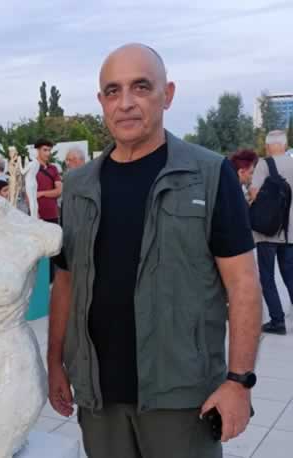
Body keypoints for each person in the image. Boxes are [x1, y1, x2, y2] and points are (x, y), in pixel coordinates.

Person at [48, 44, 262, 458]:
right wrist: (55, 362)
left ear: (168, 94)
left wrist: (239, 381)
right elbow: (66, 281)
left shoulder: (208, 174)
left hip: (182, 398)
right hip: (100, 398)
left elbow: (243, 284)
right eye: (113, 91)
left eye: (141, 87)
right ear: (101, 101)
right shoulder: (78, 186)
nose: (126, 102)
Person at [250, 130, 293, 335]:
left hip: (267, 231)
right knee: (290, 276)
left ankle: (277, 321)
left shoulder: (264, 164)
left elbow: (254, 193)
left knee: (267, 277)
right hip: (291, 232)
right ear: (284, 145)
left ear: (268, 146)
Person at [34, 139, 62, 223]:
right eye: (45, 150)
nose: (48, 153)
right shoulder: (32, 168)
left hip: (53, 215)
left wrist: (41, 193)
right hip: (37, 215)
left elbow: (59, 191)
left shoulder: (53, 168)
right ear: (38, 150)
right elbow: (28, 194)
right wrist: (34, 213)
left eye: (49, 150)